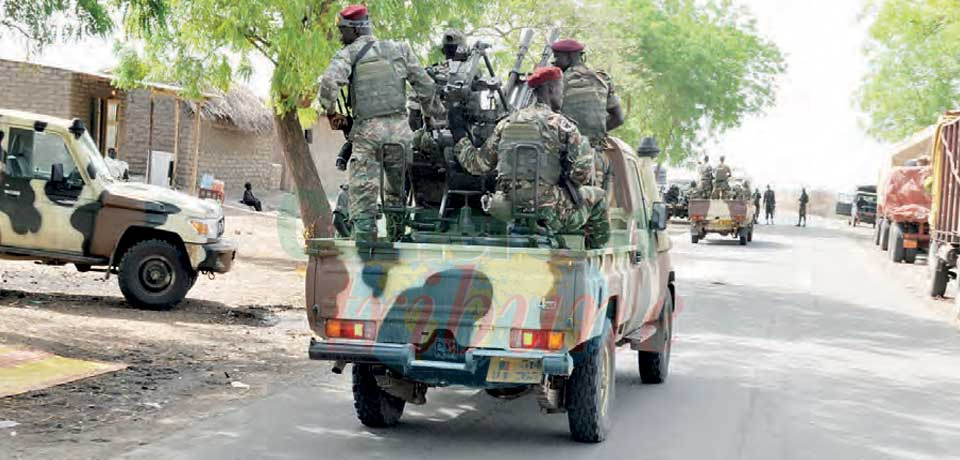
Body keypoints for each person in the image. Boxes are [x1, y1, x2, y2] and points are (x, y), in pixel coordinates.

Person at [454, 66, 609, 249]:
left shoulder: (506, 124)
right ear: (551, 89)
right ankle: (593, 258)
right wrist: (564, 181)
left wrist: (458, 133)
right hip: (550, 211)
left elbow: (477, 164)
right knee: (599, 197)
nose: (562, 96)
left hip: (508, 208)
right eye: (561, 90)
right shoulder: (563, 126)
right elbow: (582, 173)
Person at [318, 4, 436, 242]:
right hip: (401, 134)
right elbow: (426, 86)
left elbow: (329, 84)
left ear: (356, 30)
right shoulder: (401, 49)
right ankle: (396, 238)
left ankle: (365, 246)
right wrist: (427, 117)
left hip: (368, 133)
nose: (341, 36)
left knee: (363, 195)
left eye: (343, 30)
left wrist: (331, 112)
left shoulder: (349, 54)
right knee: (397, 192)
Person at [551, 38, 625, 190]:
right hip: (595, 158)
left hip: (567, 159)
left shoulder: (558, 81)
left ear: (570, 57)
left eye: (557, 57)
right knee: (595, 204)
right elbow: (618, 118)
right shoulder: (602, 79)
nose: (554, 61)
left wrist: (575, 139)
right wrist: (594, 136)